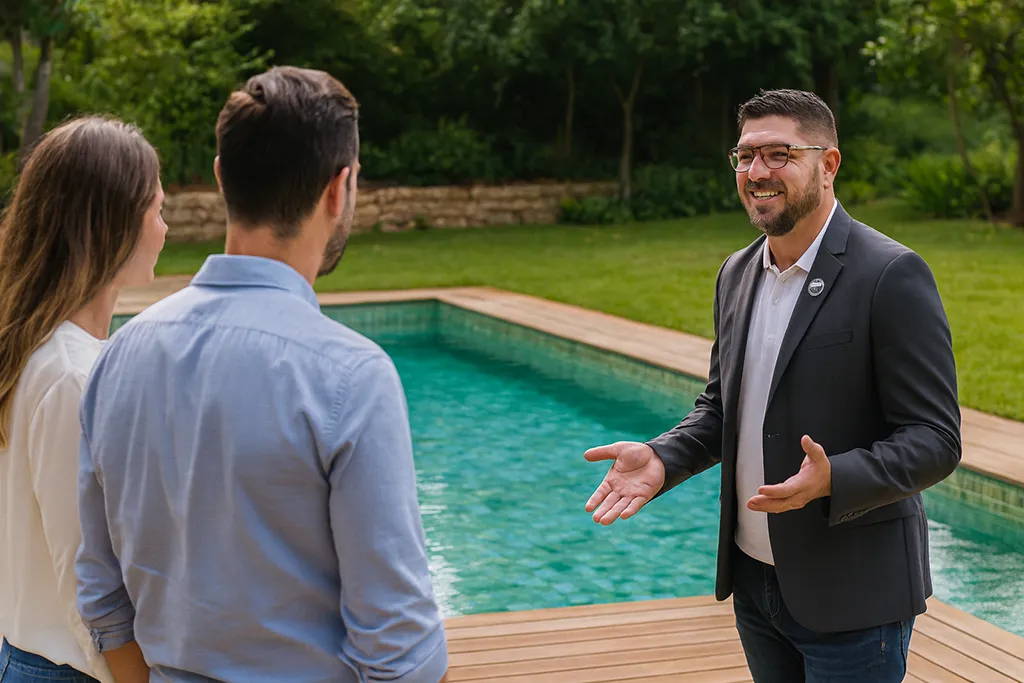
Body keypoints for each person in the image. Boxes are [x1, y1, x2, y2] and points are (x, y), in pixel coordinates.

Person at [74, 66, 449, 682]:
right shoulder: (350, 377)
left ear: (222, 178)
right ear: (340, 188)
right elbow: (400, 650)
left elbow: (102, 597)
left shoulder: (119, 355)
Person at [583, 88, 961, 682]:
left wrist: (835, 477)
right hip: (756, 586)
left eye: (779, 154)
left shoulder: (890, 274)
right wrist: (663, 456)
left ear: (828, 163)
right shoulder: (736, 273)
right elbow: (722, 407)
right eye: (744, 156)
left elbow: (936, 439)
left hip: (853, 594)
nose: (757, 172)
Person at [0, 117, 167, 683]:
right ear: (114, 223)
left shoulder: (35, 350)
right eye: (157, 210)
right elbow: (87, 587)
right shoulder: (73, 375)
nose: (165, 228)